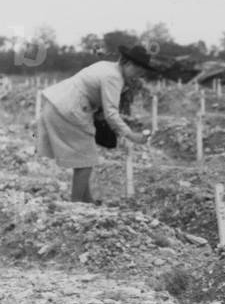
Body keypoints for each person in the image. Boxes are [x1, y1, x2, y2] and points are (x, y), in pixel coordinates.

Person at [35, 45, 153, 203]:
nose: (138, 76)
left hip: (58, 104)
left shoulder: (107, 66)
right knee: (86, 160)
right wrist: (131, 135)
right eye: (138, 71)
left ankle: (87, 201)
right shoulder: (114, 77)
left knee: (84, 158)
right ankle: (76, 205)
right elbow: (111, 113)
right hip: (69, 109)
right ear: (128, 64)